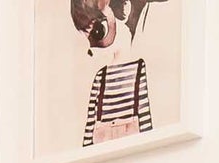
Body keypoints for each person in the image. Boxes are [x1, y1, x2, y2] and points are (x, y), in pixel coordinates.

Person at [70, 0, 163, 147]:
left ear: (125, 8)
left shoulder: (138, 72)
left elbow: (145, 122)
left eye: (99, 31)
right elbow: (89, 132)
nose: (91, 49)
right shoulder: (100, 79)